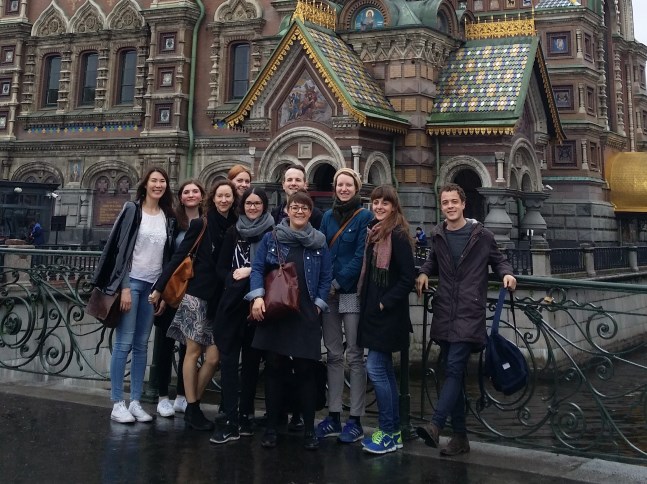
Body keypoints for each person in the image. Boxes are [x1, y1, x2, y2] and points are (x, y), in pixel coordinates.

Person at [415, 183, 517, 456]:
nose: (449, 206)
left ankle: (436, 426)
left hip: (469, 311)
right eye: (445, 202)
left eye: (453, 202)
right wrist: (424, 273)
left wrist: (507, 273)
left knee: (453, 368)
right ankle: (460, 438)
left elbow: (500, 259)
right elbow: (432, 261)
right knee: (453, 375)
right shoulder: (438, 234)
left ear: (463, 205)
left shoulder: (480, 235)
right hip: (445, 309)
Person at [150, 179, 238, 431]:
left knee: (213, 357)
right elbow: (179, 256)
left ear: (233, 199)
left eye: (228, 196)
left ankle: (192, 404)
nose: (224, 200)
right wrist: (158, 287)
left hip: (220, 299)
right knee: (193, 352)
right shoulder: (201, 224)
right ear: (212, 198)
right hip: (197, 295)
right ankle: (193, 408)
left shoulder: (235, 226)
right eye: (220, 196)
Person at [248, 190, 332, 450]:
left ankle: (309, 429)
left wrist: (318, 305)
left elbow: (326, 276)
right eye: (294, 207)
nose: (299, 212)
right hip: (276, 311)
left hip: (305, 312)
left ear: (310, 212)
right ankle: (272, 427)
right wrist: (257, 297)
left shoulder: (319, 241)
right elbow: (258, 267)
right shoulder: (271, 237)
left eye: (304, 208)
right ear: (286, 210)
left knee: (306, 369)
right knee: (274, 368)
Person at [92, 167, 176, 424]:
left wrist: (160, 290)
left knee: (142, 345)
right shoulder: (132, 210)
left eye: (162, 181)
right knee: (124, 342)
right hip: (132, 284)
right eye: (154, 181)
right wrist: (125, 287)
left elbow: (166, 258)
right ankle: (118, 402)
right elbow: (120, 249)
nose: (158, 185)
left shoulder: (167, 216)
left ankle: (136, 401)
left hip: (152, 287)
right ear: (145, 184)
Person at [210, 187, 274, 444]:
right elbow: (221, 267)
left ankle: (246, 413)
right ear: (242, 206)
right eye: (249, 203)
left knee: (251, 361)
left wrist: (250, 271)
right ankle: (231, 417)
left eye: (257, 203)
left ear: (265, 206)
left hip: (259, 304)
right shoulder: (233, 231)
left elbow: (275, 265)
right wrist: (231, 280)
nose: (253, 207)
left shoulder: (273, 232)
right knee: (228, 360)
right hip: (233, 303)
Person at [357, 185, 415, 454]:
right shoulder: (376, 232)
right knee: (385, 372)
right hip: (374, 313)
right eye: (375, 202)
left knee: (376, 370)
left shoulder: (398, 234)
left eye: (385, 203)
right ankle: (393, 432)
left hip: (386, 315)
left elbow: (407, 278)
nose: (379, 206)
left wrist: (383, 302)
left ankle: (389, 431)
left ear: (394, 206)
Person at [316, 168, 373, 443]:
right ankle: (334, 414)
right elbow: (322, 251)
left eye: (349, 185)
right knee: (334, 354)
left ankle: (357, 418)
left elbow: (361, 256)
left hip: (349, 293)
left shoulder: (365, 217)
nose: (344, 189)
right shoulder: (327, 216)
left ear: (356, 188)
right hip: (329, 295)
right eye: (340, 184)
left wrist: (337, 283)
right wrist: (325, 284)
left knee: (355, 355)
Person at [153, 179, 205, 418]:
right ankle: (162, 396)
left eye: (195, 191)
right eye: (187, 192)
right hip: (173, 292)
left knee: (189, 348)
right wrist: (162, 291)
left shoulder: (207, 222)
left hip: (195, 293)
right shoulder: (172, 223)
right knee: (164, 346)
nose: (191, 195)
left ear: (202, 196)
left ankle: (183, 395)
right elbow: (167, 257)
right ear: (181, 197)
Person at [271, 164, 323, 230]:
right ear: (283, 185)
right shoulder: (275, 213)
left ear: (305, 185)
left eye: (298, 180)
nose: (293, 183)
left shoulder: (316, 215)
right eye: (289, 180)